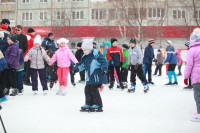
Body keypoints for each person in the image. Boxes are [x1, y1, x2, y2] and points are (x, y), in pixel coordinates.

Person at [73, 39, 108, 112]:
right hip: (89, 77)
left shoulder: (96, 54)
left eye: (85, 50)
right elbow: (81, 64)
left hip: (97, 76)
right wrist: (75, 69)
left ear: (90, 49)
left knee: (94, 90)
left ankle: (98, 105)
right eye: (83, 50)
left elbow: (103, 62)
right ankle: (89, 103)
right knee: (87, 90)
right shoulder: (85, 56)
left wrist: (104, 69)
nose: (84, 52)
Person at [184, 28, 200, 122]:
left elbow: (189, 65)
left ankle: (199, 112)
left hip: (196, 77)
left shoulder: (191, 50)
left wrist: (186, 77)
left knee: (198, 95)